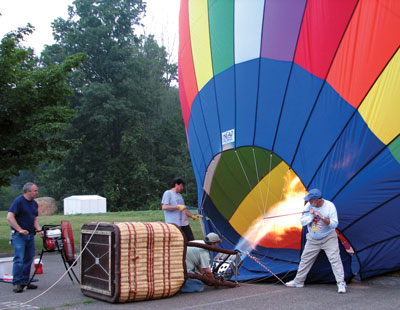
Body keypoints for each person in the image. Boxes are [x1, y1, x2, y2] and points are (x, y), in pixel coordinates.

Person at [286, 188, 347, 294]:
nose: (309, 201)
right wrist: (310, 216)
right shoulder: (308, 206)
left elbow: (334, 224)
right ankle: (298, 281)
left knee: (335, 260)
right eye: (308, 200)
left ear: (317, 200)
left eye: (310, 200)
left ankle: (341, 283)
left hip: (328, 237)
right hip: (313, 238)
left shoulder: (329, 206)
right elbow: (302, 221)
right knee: (305, 259)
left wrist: (321, 216)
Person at [7, 182, 44, 293]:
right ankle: (17, 283)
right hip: (19, 236)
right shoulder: (18, 201)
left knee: (28, 259)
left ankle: (25, 281)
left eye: (37, 190)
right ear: (28, 191)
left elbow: (34, 220)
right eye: (35, 191)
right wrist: (19, 229)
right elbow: (10, 217)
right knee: (19, 259)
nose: (36, 192)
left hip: (30, 235)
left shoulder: (34, 204)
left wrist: (39, 230)